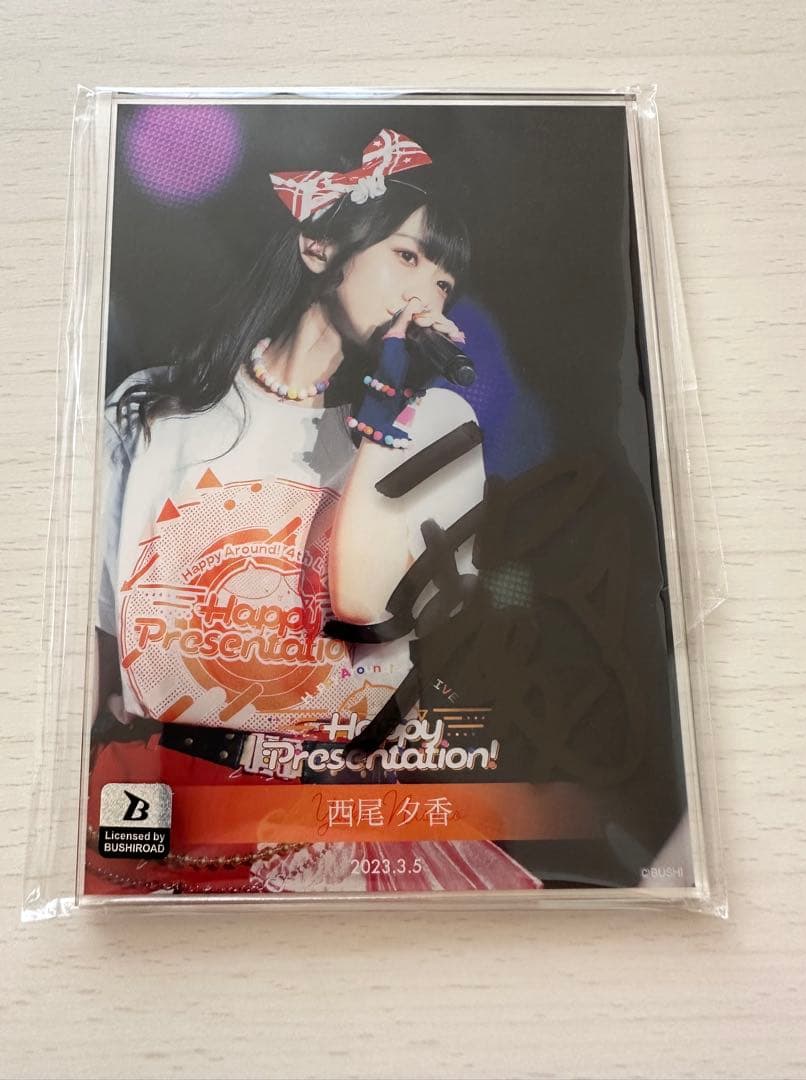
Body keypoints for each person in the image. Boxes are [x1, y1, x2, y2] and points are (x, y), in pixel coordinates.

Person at [86, 127, 541, 896]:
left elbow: (363, 605)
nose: (426, 296)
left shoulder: (435, 432)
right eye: (408, 256)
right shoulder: (155, 413)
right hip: (158, 794)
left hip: (319, 819)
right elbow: (99, 638)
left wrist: (391, 412)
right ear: (319, 247)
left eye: (445, 284)